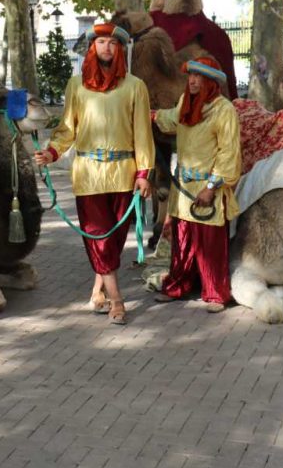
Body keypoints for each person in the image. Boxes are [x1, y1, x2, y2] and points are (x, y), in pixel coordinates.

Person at [33, 23, 154, 325]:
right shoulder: (76, 85)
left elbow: (142, 133)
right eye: (101, 42)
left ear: (120, 50)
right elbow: (67, 129)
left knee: (113, 241)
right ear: (92, 48)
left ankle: (98, 289)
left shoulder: (135, 86)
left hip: (123, 173)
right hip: (87, 174)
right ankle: (117, 300)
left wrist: (144, 172)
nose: (107, 48)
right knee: (99, 237)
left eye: (113, 44)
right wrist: (51, 152)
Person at [152, 57, 241, 312]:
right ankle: (178, 285)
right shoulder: (186, 104)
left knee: (210, 245)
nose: (192, 81)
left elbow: (229, 153)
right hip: (183, 190)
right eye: (190, 75)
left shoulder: (224, 110)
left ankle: (215, 293)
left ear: (211, 81)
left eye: (199, 77)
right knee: (182, 242)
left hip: (207, 189)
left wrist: (211, 188)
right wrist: (152, 115)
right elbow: (170, 119)